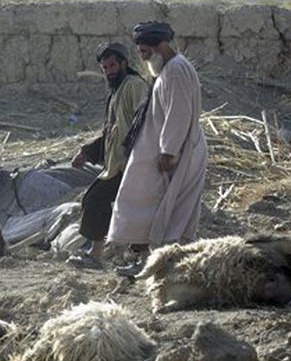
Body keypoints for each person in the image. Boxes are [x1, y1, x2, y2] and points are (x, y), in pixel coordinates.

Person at [107, 21, 208, 274]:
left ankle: (163, 266)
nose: (142, 57)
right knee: (147, 204)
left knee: (168, 210)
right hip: (164, 152)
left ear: (159, 46)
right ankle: (149, 263)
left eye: (144, 51)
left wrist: (168, 151)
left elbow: (179, 112)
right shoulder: (169, 69)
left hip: (176, 154)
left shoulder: (175, 70)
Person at [68, 42, 149, 268]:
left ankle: (103, 255)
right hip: (118, 163)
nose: (109, 71)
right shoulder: (117, 91)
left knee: (121, 205)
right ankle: (106, 254)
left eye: (112, 65)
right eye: (104, 67)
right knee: (107, 202)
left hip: (132, 162)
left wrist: (136, 159)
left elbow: (144, 124)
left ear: (124, 63)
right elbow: (113, 131)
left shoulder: (134, 86)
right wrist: (87, 152)